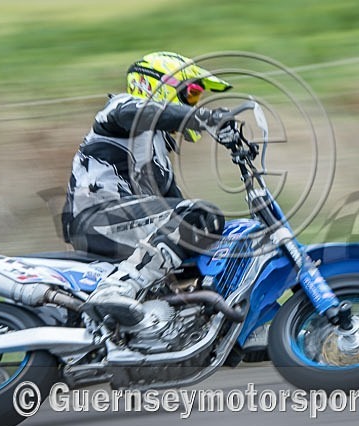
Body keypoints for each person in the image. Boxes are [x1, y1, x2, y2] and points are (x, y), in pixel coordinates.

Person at [61, 52, 235, 324]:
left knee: (204, 230)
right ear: (156, 85)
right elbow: (142, 113)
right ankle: (115, 290)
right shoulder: (121, 108)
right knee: (202, 215)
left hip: (125, 223)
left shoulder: (158, 158)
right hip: (96, 216)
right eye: (189, 94)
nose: (193, 102)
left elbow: (179, 218)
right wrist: (204, 117)